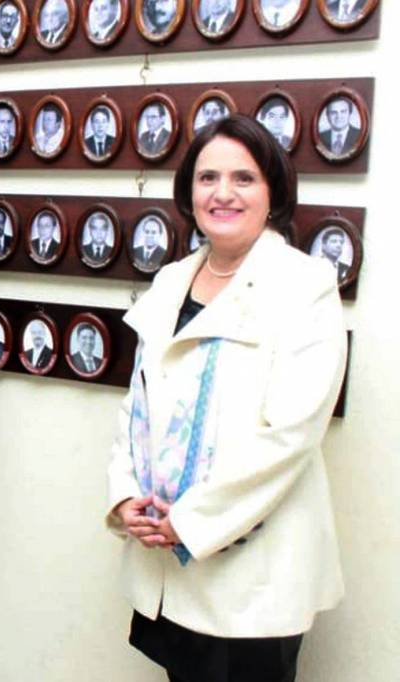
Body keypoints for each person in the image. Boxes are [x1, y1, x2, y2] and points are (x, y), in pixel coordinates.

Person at [106, 114, 346, 682]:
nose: (223, 193)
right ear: (189, 191)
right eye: (208, 177)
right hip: (167, 562)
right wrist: (125, 497)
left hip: (252, 572)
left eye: (244, 178)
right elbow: (137, 407)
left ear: (273, 192)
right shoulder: (170, 281)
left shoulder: (304, 285)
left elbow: (290, 436)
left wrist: (189, 521)